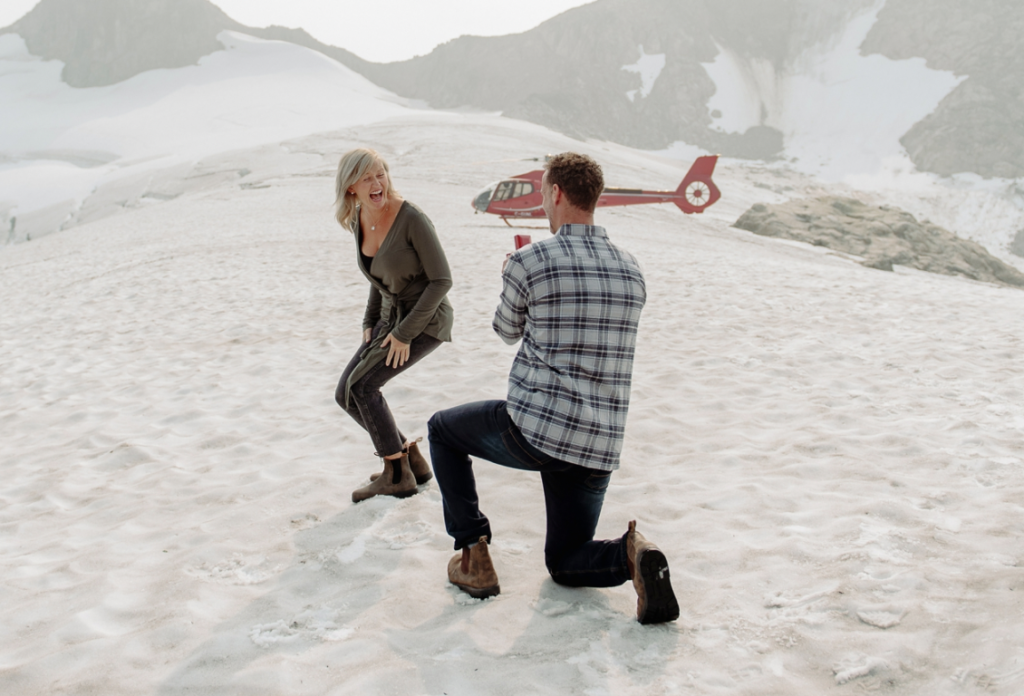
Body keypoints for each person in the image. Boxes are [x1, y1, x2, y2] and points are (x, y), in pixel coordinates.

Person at [427, 152, 678, 624]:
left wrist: (512, 276)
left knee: (442, 431)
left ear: (557, 193)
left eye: (544, 191)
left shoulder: (530, 259)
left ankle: (473, 555)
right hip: (598, 445)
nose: (542, 200)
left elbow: (505, 330)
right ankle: (629, 554)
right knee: (565, 561)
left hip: (535, 431)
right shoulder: (632, 270)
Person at [333, 148, 453, 503]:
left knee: (365, 387)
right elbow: (378, 277)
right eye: (367, 177)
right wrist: (371, 321)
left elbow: (441, 281)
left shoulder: (411, 218)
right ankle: (409, 459)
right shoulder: (358, 220)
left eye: (380, 173)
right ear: (351, 186)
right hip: (389, 319)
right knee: (346, 394)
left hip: (425, 320)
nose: (377, 182)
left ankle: (397, 474)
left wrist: (403, 334)